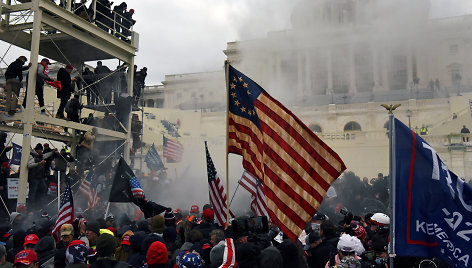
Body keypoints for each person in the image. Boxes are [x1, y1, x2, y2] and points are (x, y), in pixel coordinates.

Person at [27, 143, 55, 209]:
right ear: (37, 150)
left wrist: (52, 152)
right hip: (34, 177)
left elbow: (46, 155)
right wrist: (39, 163)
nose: (41, 151)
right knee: (33, 191)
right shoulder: (32, 156)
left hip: (40, 177)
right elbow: (29, 165)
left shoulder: (41, 156)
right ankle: (31, 205)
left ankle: (40, 202)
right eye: (40, 150)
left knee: (44, 188)